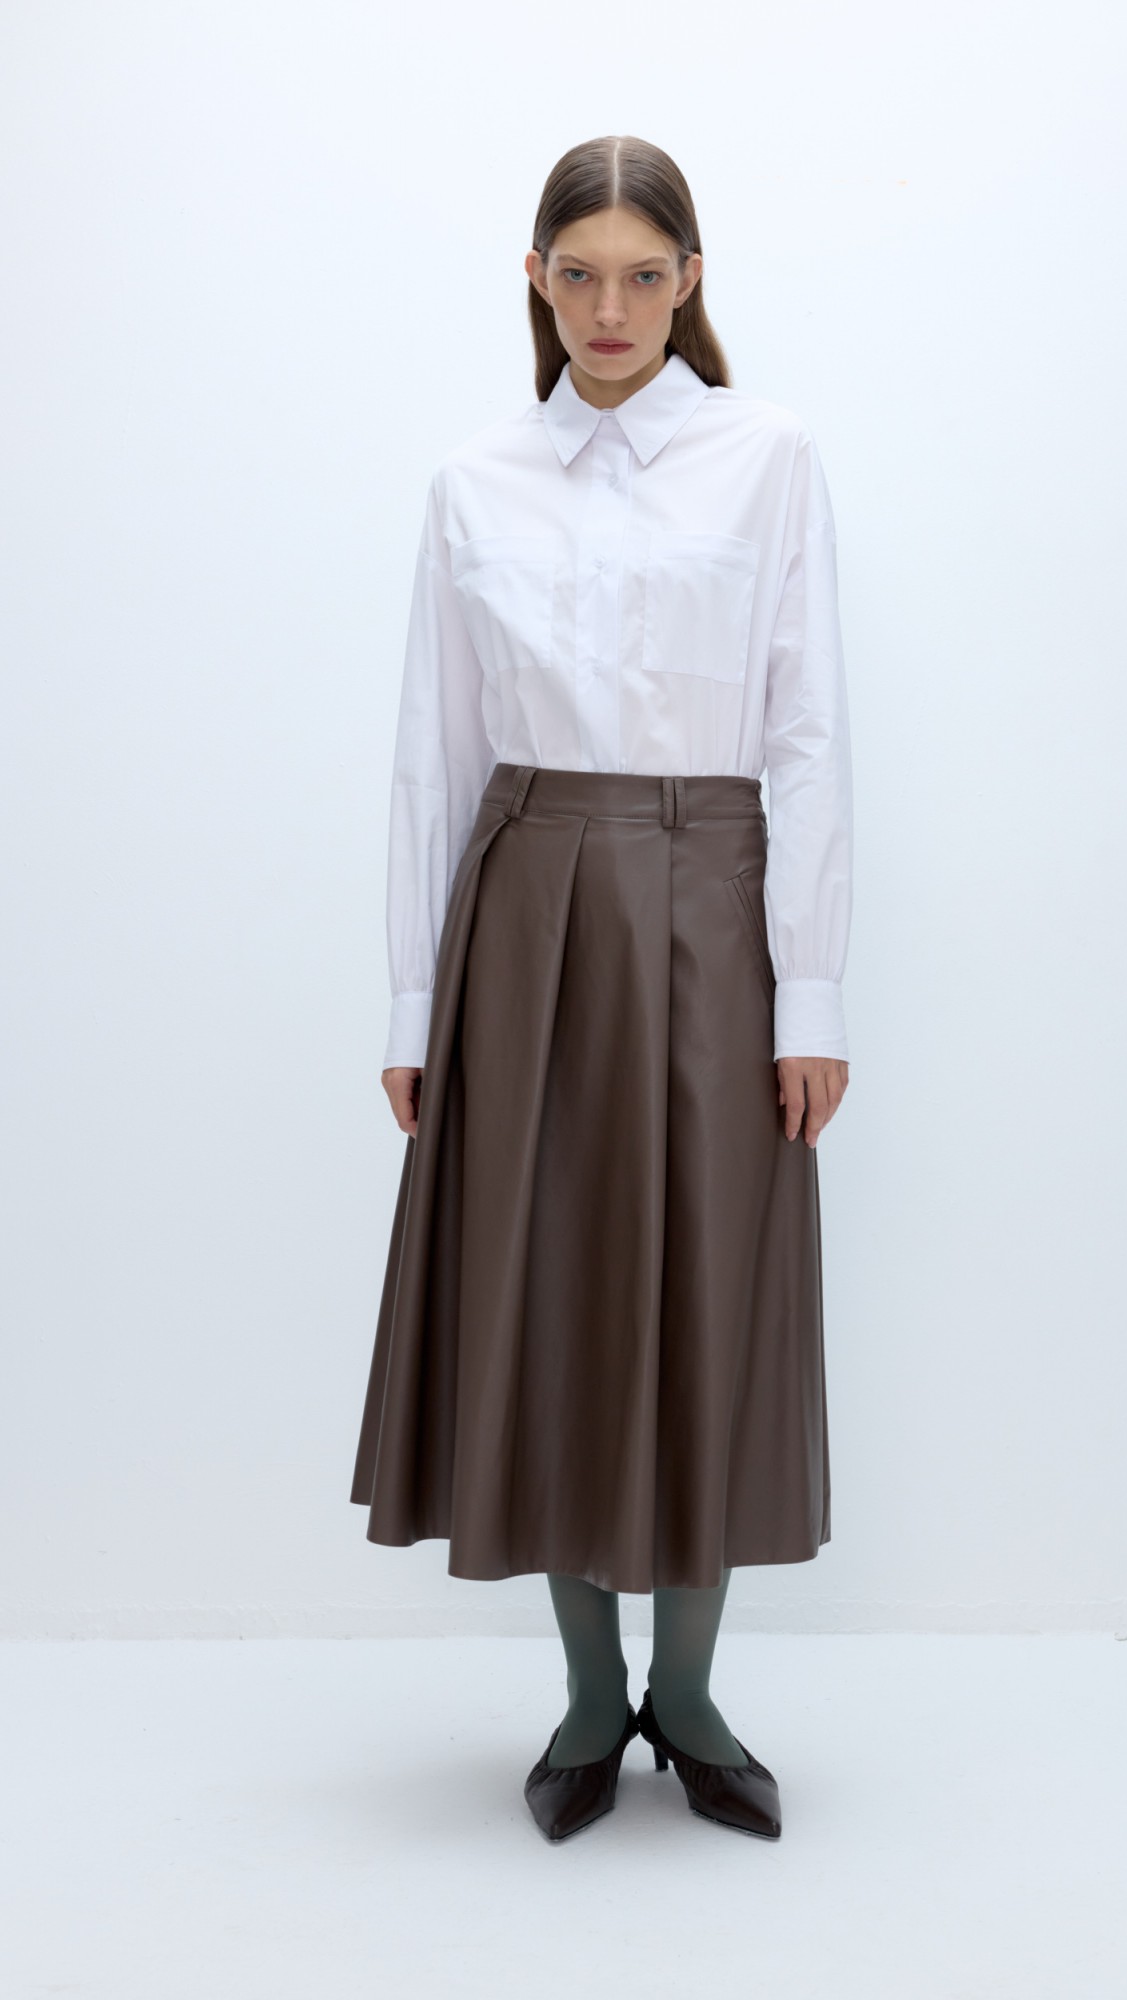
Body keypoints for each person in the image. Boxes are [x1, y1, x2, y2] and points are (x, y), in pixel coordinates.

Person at [349, 134, 853, 1843]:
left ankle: (688, 1697)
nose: (612, 309)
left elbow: (806, 730)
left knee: (707, 1290)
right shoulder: (473, 479)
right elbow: (434, 752)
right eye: (580, 275)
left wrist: (810, 994)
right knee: (549, 1287)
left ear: (689, 280)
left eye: (645, 275)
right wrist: (413, 1006)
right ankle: (585, 1698)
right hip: (526, 908)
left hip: (713, 896)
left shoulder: (767, 457)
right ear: (535, 279)